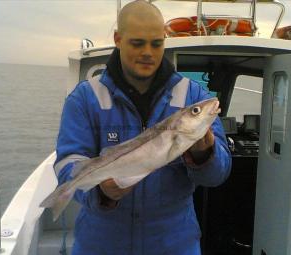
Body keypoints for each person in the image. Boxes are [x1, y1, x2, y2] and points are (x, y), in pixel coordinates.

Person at [54, 1, 231, 254]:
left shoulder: (193, 96)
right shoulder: (84, 98)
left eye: (156, 43)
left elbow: (217, 176)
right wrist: (101, 192)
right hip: (102, 242)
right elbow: (67, 162)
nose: (148, 52)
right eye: (137, 43)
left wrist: (206, 153)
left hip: (173, 241)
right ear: (118, 39)